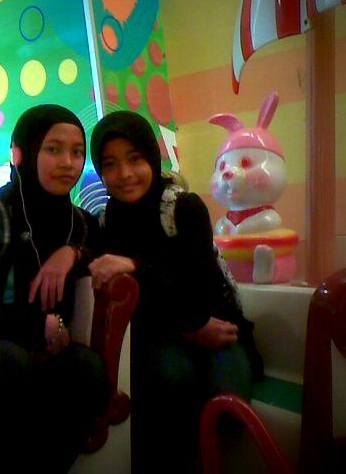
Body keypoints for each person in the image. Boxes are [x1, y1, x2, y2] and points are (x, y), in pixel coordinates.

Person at [0, 104, 111, 473]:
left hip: (50, 352)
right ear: (22, 154)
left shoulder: (80, 222)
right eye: (53, 149)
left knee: (88, 370)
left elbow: (103, 246)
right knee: (11, 363)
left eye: (77, 152)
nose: (68, 163)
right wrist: (35, 326)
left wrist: (72, 253)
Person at [88, 111, 264, 473]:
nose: (125, 174)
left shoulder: (182, 207)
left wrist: (135, 266)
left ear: (152, 158)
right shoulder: (108, 221)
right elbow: (136, 306)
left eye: (134, 159)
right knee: (172, 381)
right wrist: (188, 329)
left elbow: (200, 287)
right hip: (165, 330)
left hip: (215, 321)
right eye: (110, 164)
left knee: (228, 410)